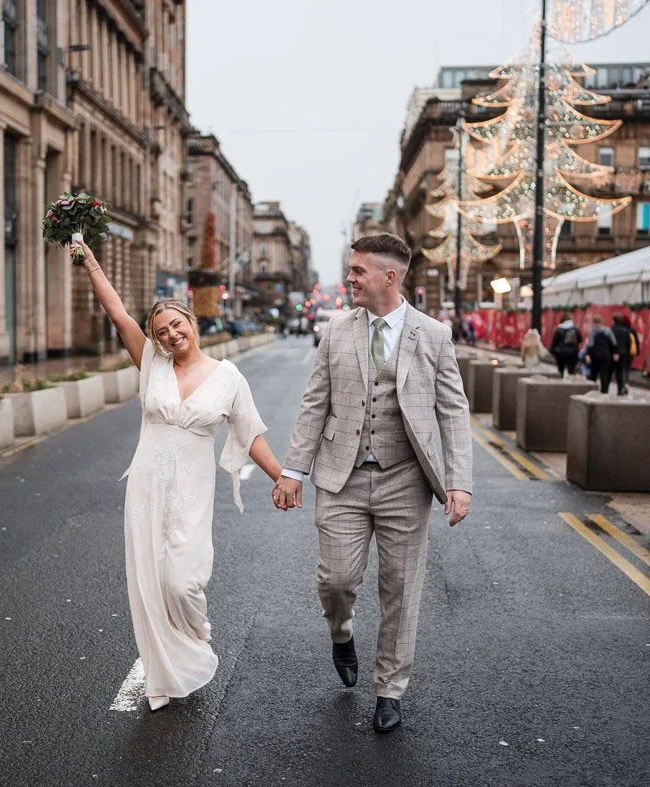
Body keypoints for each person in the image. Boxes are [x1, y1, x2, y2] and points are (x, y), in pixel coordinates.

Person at [71, 239, 283, 713]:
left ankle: (195, 636)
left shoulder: (229, 377)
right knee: (149, 582)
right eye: (161, 331)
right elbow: (116, 310)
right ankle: (166, 671)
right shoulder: (153, 364)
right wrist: (88, 261)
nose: (170, 335)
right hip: (147, 486)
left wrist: (281, 477)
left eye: (176, 325)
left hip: (191, 490)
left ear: (192, 323)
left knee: (183, 582)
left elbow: (250, 434)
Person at [273, 233, 473, 734]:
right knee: (336, 580)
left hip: (405, 480)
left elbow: (453, 410)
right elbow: (314, 403)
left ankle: (389, 689)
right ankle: (341, 633)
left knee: (401, 591)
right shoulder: (337, 331)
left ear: (391, 275)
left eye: (359, 270)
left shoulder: (433, 335)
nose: (350, 278)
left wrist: (460, 481)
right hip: (340, 477)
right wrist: (294, 470)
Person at [585, 315, 619, 394]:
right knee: (604, 374)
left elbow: (590, 344)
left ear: (594, 322)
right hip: (605, 355)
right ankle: (604, 391)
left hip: (595, 355)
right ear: (601, 321)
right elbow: (614, 343)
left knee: (593, 374)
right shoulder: (608, 330)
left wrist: (588, 355)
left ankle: (592, 391)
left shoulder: (593, 331)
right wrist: (615, 353)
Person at [611, 313, 638, 396]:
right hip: (626, 353)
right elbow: (633, 342)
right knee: (625, 370)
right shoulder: (630, 330)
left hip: (615, 353)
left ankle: (620, 386)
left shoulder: (612, 329)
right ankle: (624, 386)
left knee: (617, 371)